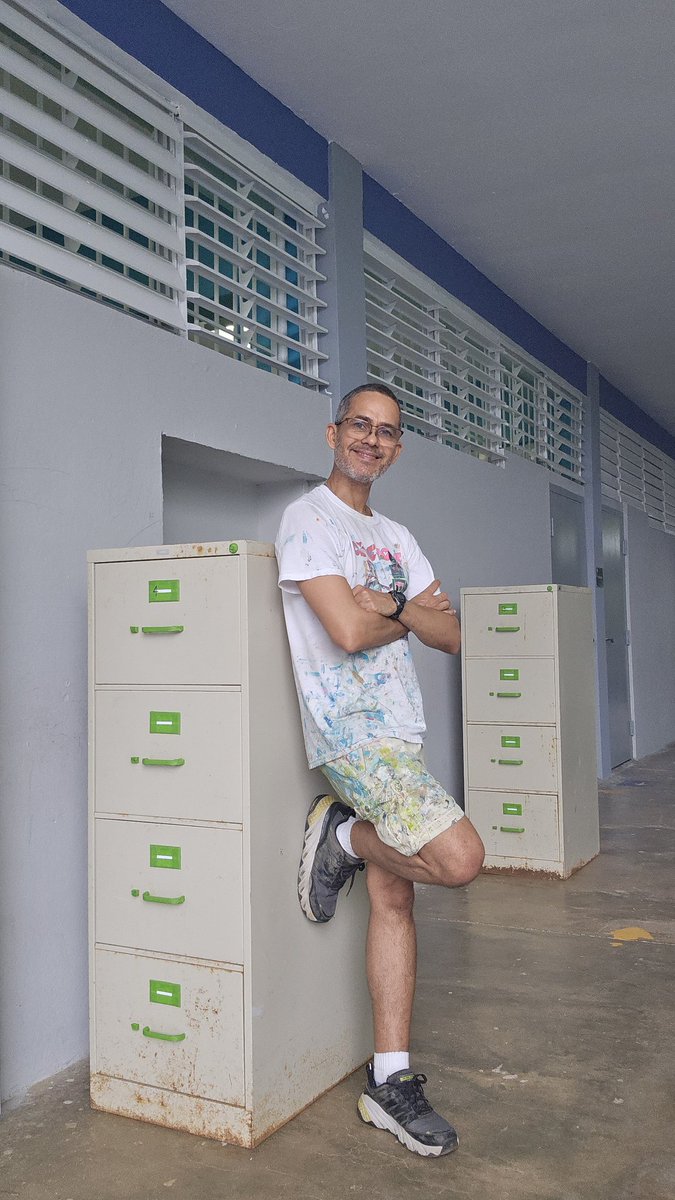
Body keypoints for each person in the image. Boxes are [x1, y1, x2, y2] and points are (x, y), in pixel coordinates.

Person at [275, 383, 485, 1158]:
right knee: (458, 859)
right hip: (354, 733)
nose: (371, 440)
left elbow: (453, 633)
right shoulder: (307, 521)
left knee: (397, 901)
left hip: (402, 727)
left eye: (386, 432)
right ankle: (347, 837)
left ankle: (387, 1080)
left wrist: (388, 602)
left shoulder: (396, 532)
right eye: (359, 426)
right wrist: (401, 613)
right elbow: (345, 629)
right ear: (333, 433)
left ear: (397, 448)